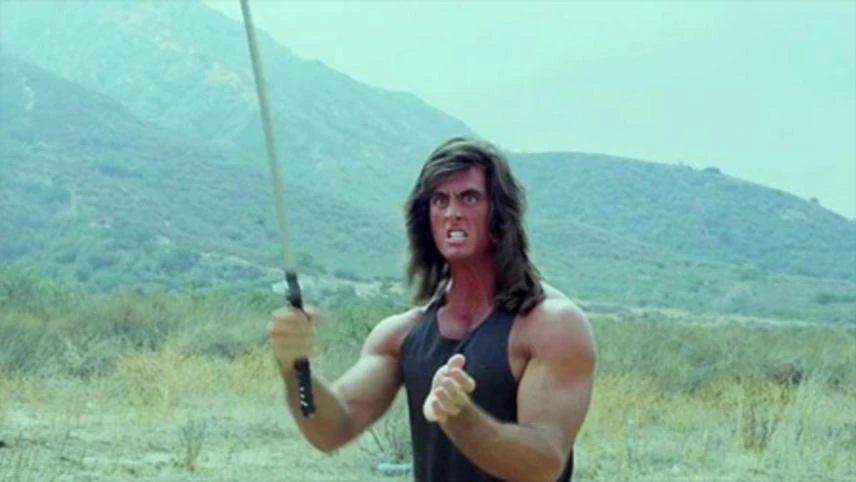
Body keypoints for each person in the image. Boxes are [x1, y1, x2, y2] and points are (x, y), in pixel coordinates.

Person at [268, 137, 597, 482]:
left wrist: (461, 417)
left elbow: (544, 462)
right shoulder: (401, 334)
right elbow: (333, 429)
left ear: (500, 213)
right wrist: (294, 369)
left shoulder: (552, 325)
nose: (453, 213)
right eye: (440, 200)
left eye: (469, 198)